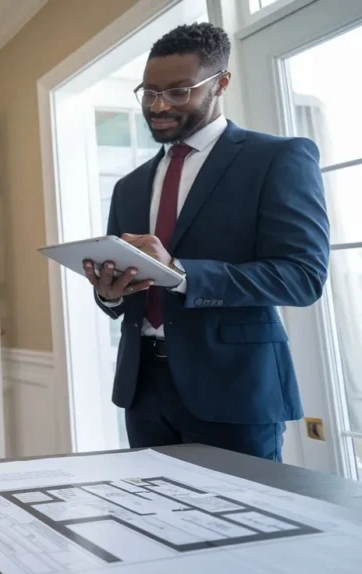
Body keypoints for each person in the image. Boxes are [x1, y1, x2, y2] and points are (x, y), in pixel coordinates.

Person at [84, 23, 329, 461]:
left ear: (221, 84)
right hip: (142, 390)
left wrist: (182, 274)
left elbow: (303, 277)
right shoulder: (129, 187)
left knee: (248, 527)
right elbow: (121, 299)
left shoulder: (277, 159)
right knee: (154, 526)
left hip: (234, 389)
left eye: (179, 92)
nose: (158, 106)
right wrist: (108, 293)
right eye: (149, 92)